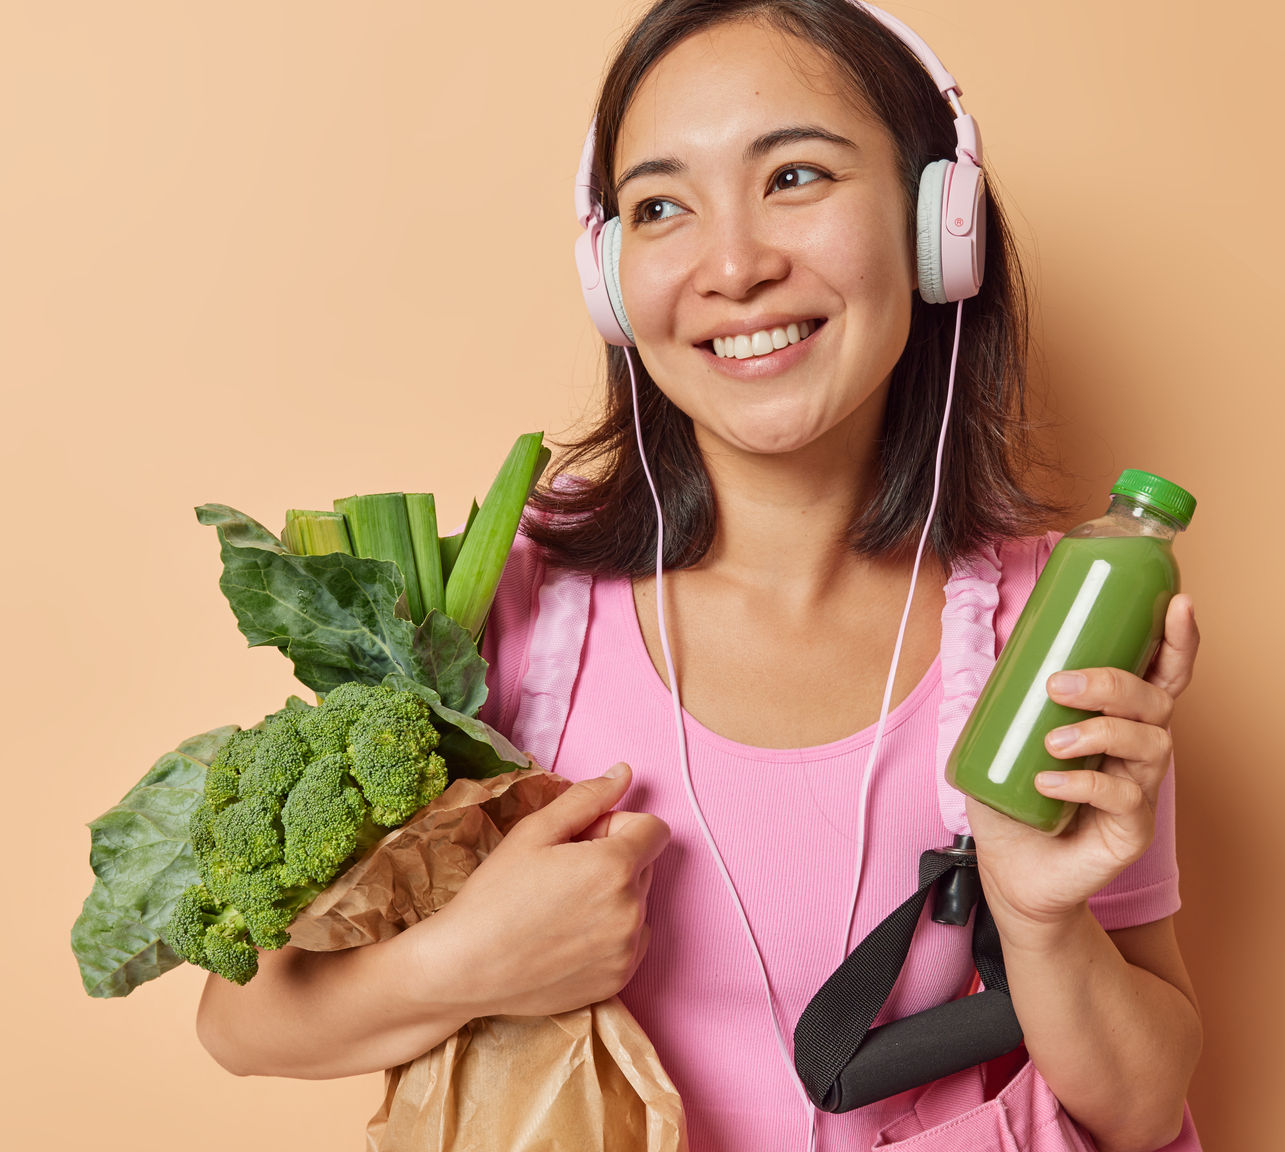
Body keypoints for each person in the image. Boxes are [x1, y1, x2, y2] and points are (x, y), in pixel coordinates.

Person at [192, 3, 1203, 1149]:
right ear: (611, 278)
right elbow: (242, 1017)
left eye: (795, 177)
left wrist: (1037, 916)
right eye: (661, 207)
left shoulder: (1053, 625)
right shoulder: (489, 611)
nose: (732, 266)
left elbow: (1135, 1105)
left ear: (938, 223)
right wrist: (465, 964)